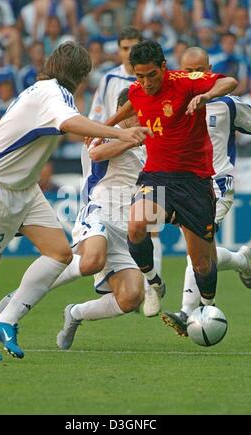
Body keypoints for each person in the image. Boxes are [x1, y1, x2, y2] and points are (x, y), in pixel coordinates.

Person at [0, 41, 150, 361]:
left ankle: (5, 320)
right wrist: (119, 133)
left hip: (25, 189)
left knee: (61, 253)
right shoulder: (51, 94)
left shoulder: (50, 92)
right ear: (79, 75)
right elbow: (68, 124)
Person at [0, 88, 164, 350]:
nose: (142, 117)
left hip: (129, 226)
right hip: (100, 210)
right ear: (123, 111)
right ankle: (19, 297)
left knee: (131, 297)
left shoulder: (150, 140)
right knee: (91, 261)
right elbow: (96, 154)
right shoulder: (104, 132)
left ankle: (75, 313)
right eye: (136, 112)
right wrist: (134, 139)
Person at [104, 40, 238, 321]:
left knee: (201, 263)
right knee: (137, 225)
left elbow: (230, 82)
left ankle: (207, 306)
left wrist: (207, 96)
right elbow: (133, 102)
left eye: (151, 75)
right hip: (157, 176)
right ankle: (154, 282)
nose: (146, 82)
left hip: (195, 181)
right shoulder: (137, 90)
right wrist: (108, 124)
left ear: (164, 67)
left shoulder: (185, 82)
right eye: (139, 76)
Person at [161, 47, 251, 336]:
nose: (194, 76)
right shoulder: (171, 103)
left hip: (216, 185)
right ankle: (242, 261)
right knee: (206, 253)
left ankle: (188, 311)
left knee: (198, 251)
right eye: (188, 70)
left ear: (210, 70)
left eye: (200, 70)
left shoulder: (228, 104)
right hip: (184, 186)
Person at [88, 26, 164, 316]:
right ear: (119, 50)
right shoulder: (110, 79)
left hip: (152, 150)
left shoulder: (154, 79)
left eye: (133, 47)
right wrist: (109, 132)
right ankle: (140, 282)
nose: (128, 54)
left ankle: (152, 286)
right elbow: (98, 117)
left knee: (151, 231)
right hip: (117, 150)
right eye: (124, 48)